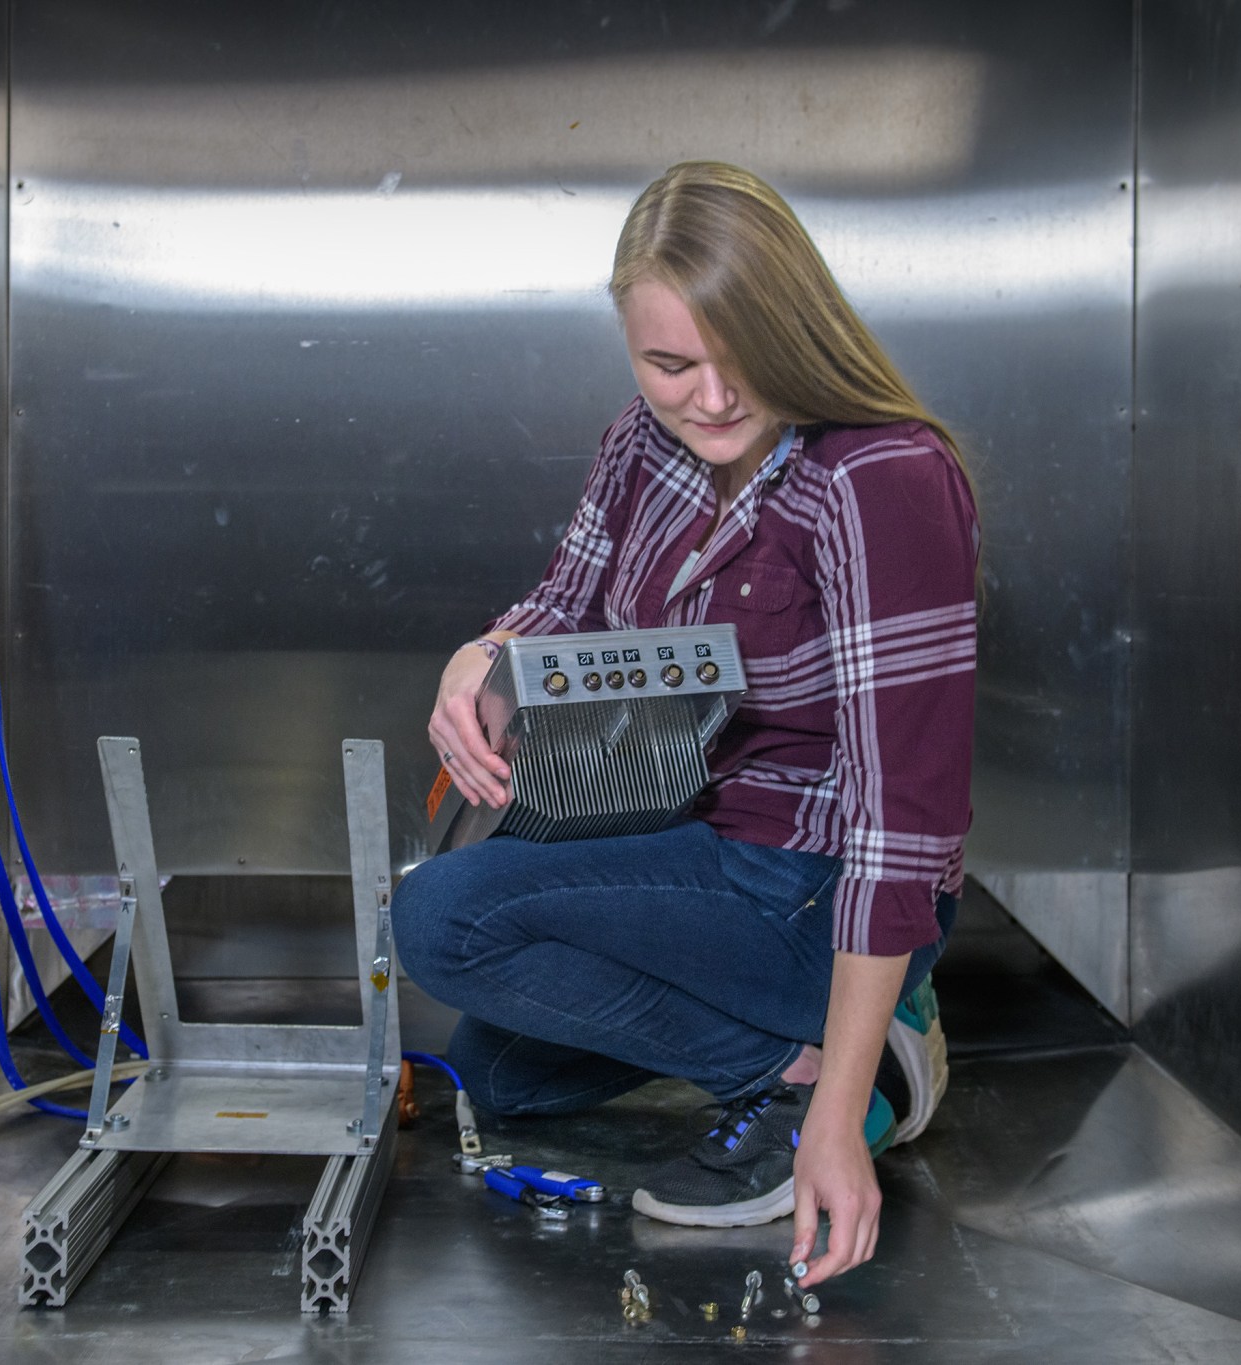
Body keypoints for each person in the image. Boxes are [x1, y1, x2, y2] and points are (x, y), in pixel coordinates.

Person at [389, 161, 978, 1290]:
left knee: (441, 924)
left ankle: (836, 1076)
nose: (708, 398)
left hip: (809, 878)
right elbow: (564, 610)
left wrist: (835, 1123)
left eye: (740, 358)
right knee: (497, 1070)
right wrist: (478, 659)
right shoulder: (641, 445)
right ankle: (810, 1050)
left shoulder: (877, 480)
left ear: (793, 330)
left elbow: (902, 824)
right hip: (689, 841)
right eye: (668, 364)